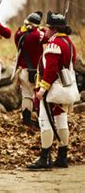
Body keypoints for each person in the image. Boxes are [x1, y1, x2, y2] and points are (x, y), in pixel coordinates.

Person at [27, 11, 76, 169]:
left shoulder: (54, 45)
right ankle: (62, 157)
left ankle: (45, 158)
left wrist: (42, 90)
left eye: (48, 28)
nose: (45, 31)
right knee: (61, 120)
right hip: (63, 88)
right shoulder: (68, 42)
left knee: (45, 122)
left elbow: (51, 70)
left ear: (54, 29)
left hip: (52, 90)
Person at [14, 11, 47, 126]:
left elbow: (20, 33)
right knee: (37, 95)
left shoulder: (18, 34)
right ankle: (40, 121)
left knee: (26, 96)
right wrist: (41, 29)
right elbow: (47, 36)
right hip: (34, 72)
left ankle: (26, 120)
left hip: (22, 70)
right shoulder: (37, 35)